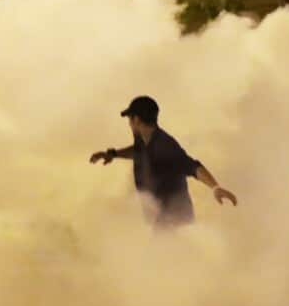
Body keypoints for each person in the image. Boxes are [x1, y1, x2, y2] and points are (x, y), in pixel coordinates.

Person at [90, 95, 237, 229]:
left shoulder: (165, 145)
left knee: (160, 255)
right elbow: (138, 152)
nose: (129, 124)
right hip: (161, 219)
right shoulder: (143, 140)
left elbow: (192, 166)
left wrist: (215, 186)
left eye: (130, 119)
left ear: (136, 119)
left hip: (175, 219)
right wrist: (113, 154)